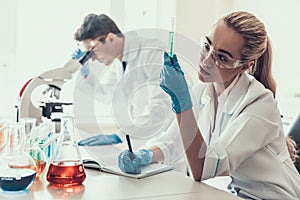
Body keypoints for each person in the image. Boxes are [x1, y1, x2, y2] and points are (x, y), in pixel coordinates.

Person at [118, 11, 300, 199]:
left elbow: (203, 167)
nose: (206, 61)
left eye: (222, 58)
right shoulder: (202, 91)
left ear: (245, 66)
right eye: (206, 46)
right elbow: (173, 143)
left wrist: (182, 104)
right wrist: (145, 155)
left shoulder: (259, 104)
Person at [72, 14, 174, 144]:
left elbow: (163, 107)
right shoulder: (119, 61)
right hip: (146, 139)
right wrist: (86, 73)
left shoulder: (152, 52)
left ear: (110, 38)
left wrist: (120, 136)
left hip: (168, 140)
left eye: (92, 51)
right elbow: (107, 94)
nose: (92, 58)